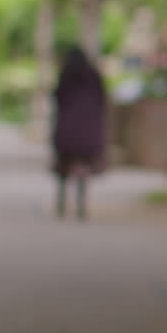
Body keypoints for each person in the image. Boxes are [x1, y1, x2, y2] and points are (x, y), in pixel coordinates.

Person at [52, 45, 107, 220]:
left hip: (67, 128)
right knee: (83, 167)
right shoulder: (94, 75)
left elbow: (58, 97)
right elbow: (102, 99)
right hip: (88, 129)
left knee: (63, 167)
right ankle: (81, 206)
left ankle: (61, 205)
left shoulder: (65, 74)